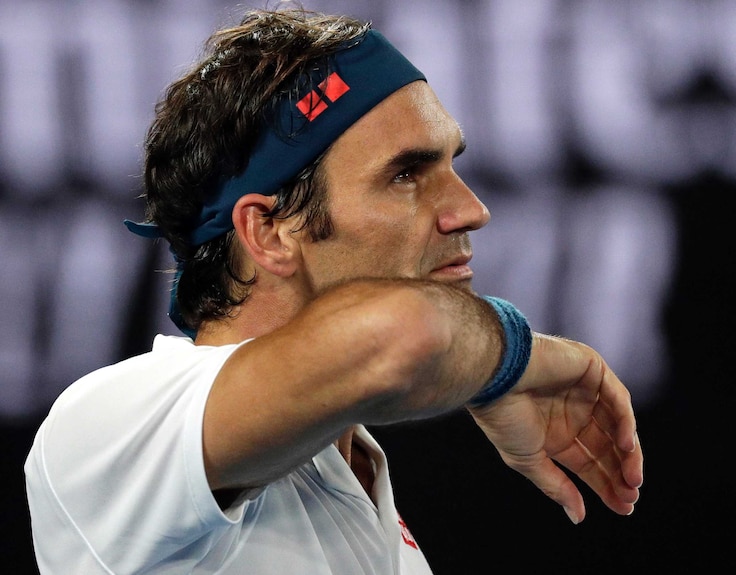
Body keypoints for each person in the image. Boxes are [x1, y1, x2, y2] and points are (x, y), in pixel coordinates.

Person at [24, 4, 643, 574]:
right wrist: (511, 358)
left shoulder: (358, 475)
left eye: (453, 165)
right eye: (406, 175)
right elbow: (410, 334)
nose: (470, 209)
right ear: (268, 231)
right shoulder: (113, 423)